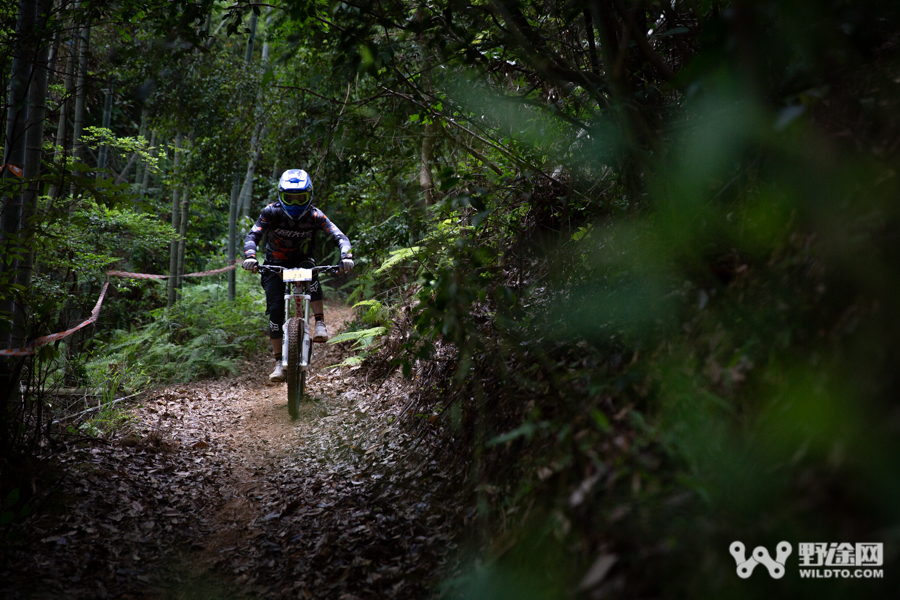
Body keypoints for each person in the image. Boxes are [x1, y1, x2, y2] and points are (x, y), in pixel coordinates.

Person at [241, 169, 354, 382]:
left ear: (309, 196)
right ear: (280, 196)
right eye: (289, 197)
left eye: (299, 197)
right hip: (274, 264)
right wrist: (250, 257)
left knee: (311, 273)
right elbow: (253, 235)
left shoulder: (315, 215)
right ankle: (278, 363)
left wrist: (346, 256)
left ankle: (319, 322)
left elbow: (339, 236)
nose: (294, 203)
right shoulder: (271, 212)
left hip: (303, 260)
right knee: (275, 311)